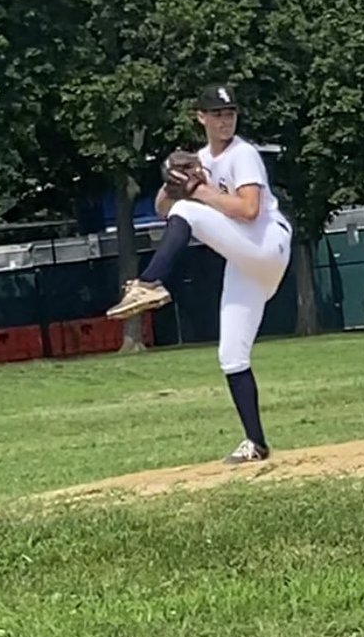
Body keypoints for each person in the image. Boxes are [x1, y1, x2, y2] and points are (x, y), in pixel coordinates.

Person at [107, 84, 293, 465]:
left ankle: (150, 283)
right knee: (231, 355)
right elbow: (163, 208)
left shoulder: (244, 154)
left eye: (231, 113)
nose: (226, 120)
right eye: (218, 114)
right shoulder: (201, 160)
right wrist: (173, 181)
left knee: (189, 213)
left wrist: (200, 191)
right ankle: (256, 443)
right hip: (246, 265)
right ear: (201, 117)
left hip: (268, 244)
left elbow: (249, 210)